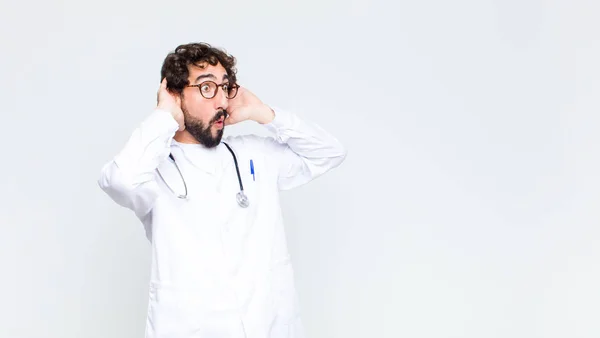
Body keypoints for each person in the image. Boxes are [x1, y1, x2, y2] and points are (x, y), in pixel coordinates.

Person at [97, 42, 346, 338]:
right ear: (176, 95)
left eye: (224, 87)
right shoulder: (154, 167)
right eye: (206, 88)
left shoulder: (253, 154)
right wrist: (164, 116)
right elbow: (119, 180)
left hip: (269, 326)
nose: (222, 101)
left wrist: (264, 113)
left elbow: (330, 152)